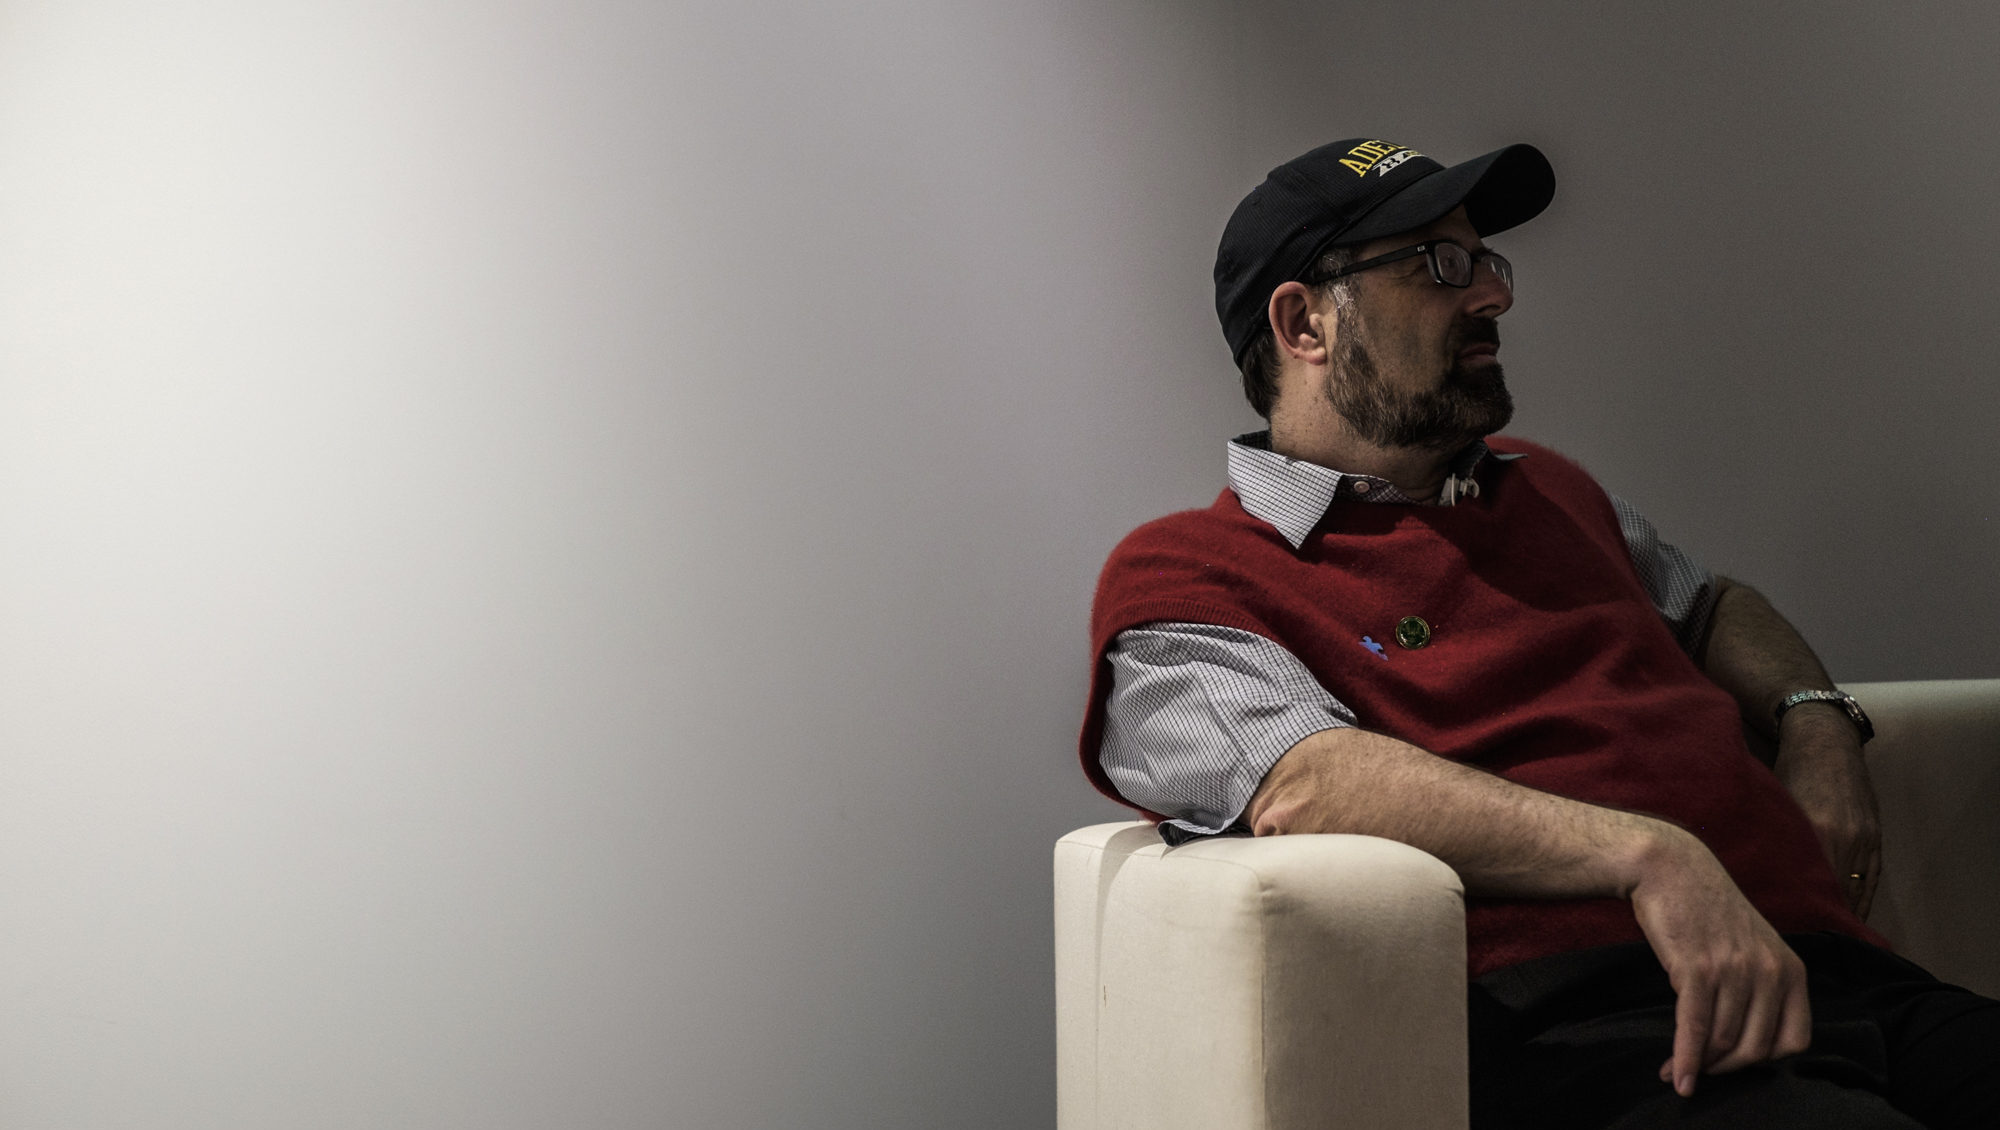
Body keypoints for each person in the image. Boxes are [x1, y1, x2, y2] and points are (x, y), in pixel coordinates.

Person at [1075, 137, 2000, 1128]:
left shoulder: (1548, 487)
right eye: (1438, 265)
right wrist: (1647, 854)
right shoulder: (1186, 574)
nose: (1490, 296)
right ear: (1303, 323)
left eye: (1484, 261)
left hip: (1849, 980)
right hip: (1606, 1028)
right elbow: (1302, 781)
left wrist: (1817, 723)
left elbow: (1716, 606)